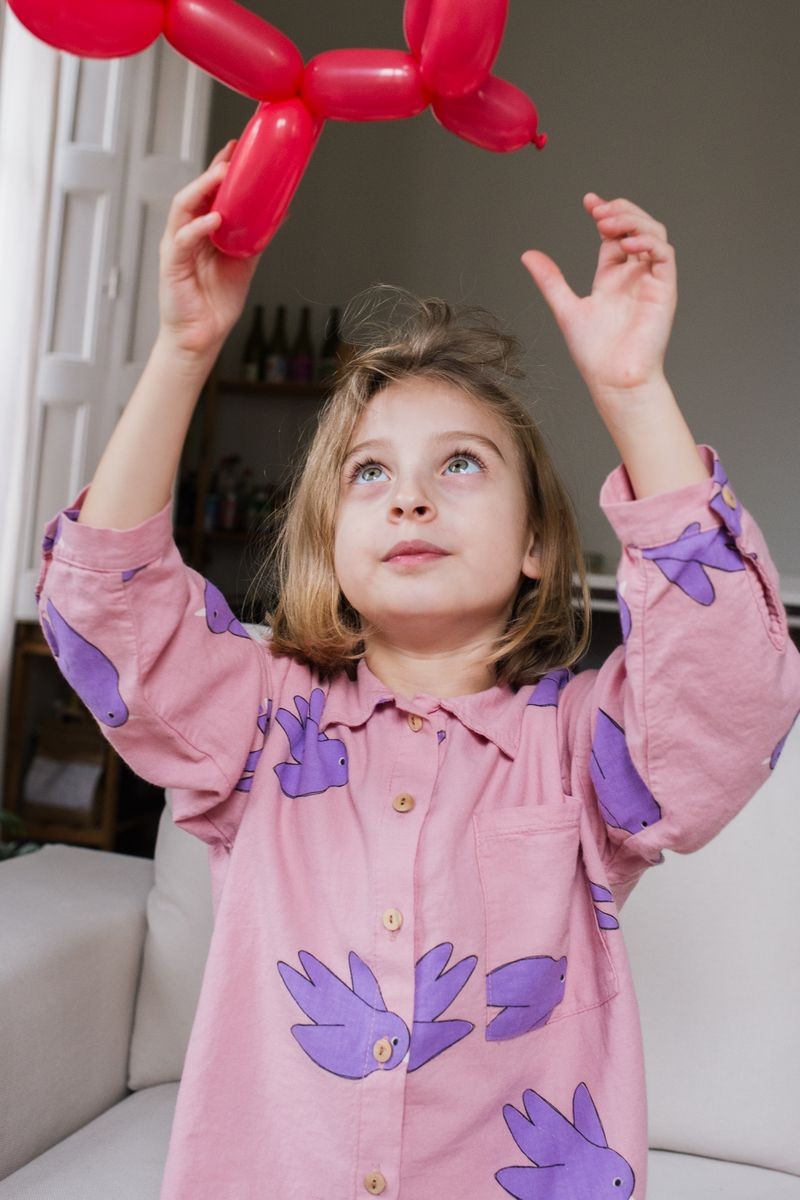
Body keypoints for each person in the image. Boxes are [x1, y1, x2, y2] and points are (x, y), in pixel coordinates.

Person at [36, 138, 800, 1200]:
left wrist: (632, 394)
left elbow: (733, 690)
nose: (408, 497)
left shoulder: (584, 752)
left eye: (458, 464)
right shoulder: (257, 725)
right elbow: (100, 608)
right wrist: (181, 350)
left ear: (538, 542)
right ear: (331, 542)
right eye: (368, 473)